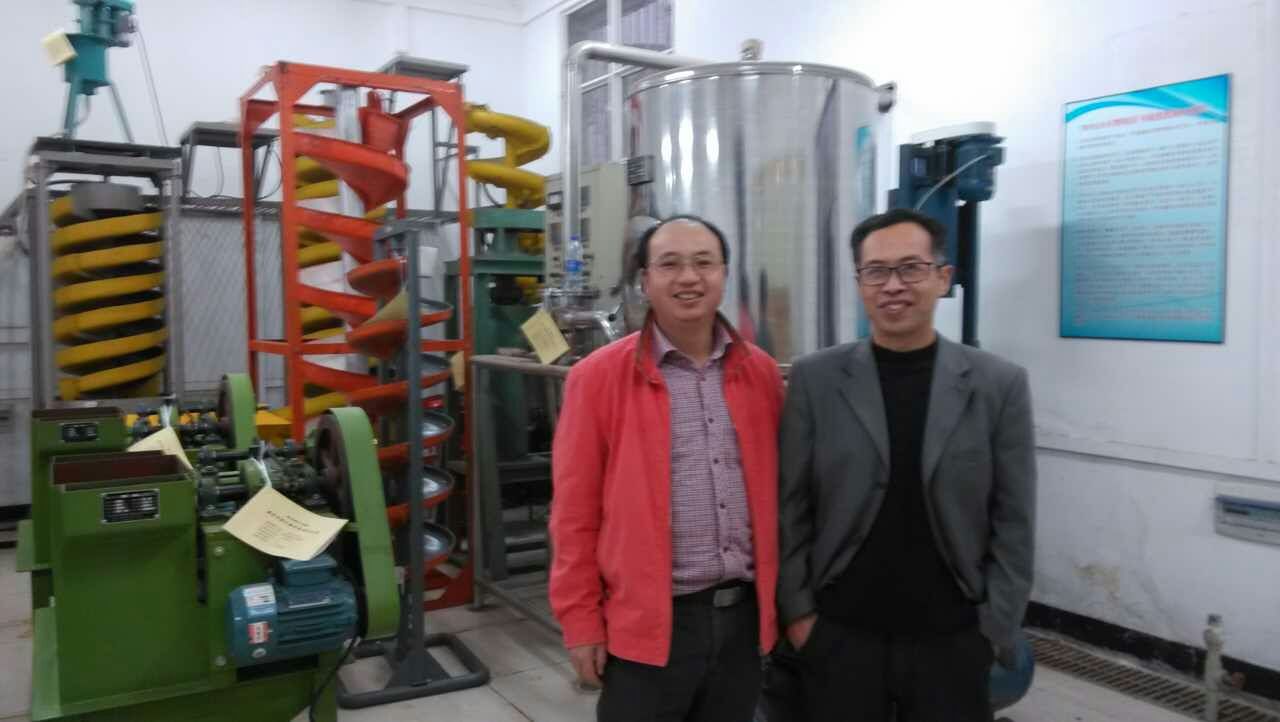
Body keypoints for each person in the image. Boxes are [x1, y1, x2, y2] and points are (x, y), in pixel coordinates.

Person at [776, 208, 1037, 721]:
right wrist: (800, 615)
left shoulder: (997, 385)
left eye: (911, 268)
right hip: (840, 634)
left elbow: (1015, 519)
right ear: (860, 283)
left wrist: (993, 629)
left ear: (943, 277)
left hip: (955, 638)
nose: (893, 285)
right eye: (876, 271)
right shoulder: (816, 380)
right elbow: (791, 508)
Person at [549, 215, 785, 722]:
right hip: (647, 627)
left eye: (704, 263)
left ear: (724, 274)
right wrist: (581, 622)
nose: (688, 278)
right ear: (645, 279)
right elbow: (573, 515)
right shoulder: (597, 379)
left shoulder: (762, 375)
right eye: (670, 264)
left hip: (744, 620)